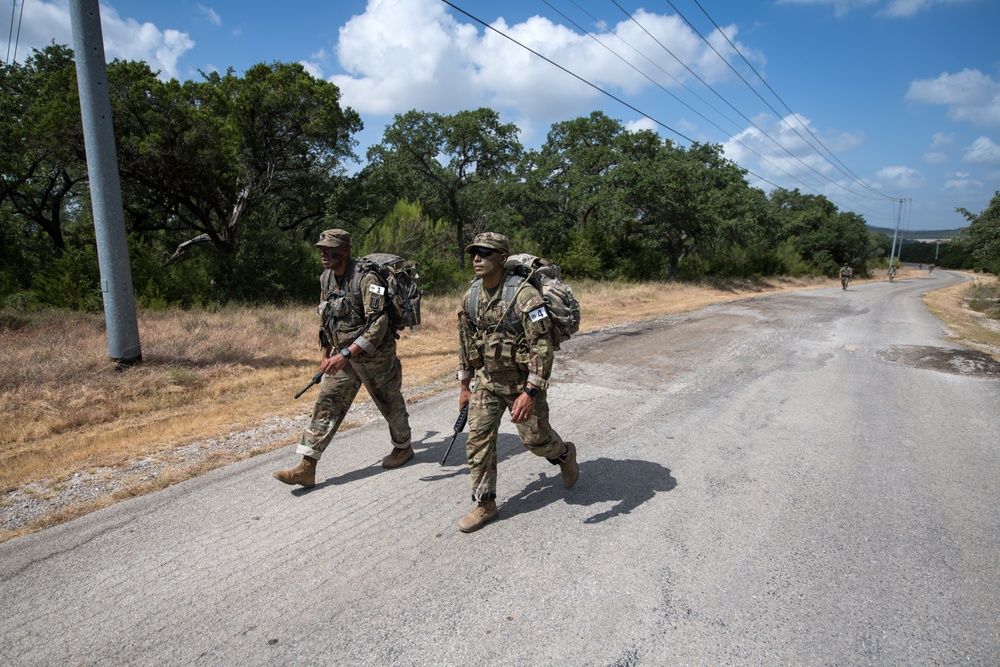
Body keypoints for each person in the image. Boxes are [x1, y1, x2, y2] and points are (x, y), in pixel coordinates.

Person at [455, 232, 578, 533]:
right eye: (474, 252)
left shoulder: (526, 297)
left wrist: (530, 393)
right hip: (487, 381)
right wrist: (464, 385)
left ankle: (563, 454)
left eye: (485, 252)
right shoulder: (470, 297)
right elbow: (465, 341)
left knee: (535, 440)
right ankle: (485, 504)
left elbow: (542, 347)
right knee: (478, 440)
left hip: (522, 383)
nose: (477, 258)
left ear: (501, 257)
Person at [273, 229, 413, 488]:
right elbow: (325, 316)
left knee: (389, 404)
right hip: (342, 357)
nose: (324, 254)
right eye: (322, 249)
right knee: (326, 403)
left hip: (375, 357)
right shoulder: (325, 278)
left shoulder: (368, 278)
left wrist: (347, 352)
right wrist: (326, 351)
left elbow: (379, 322)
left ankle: (403, 447)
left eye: (331, 249)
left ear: (346, 251)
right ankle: (307, 465)